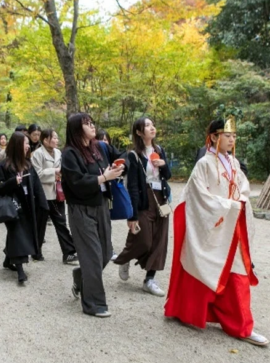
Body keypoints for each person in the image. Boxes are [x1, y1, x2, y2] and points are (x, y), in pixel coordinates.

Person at [165, 117, 268, 346]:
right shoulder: (204, 164)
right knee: (204, 268)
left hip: (232, 226)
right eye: (227, 135)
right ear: (214, 137)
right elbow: (197, 195)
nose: (232, 140)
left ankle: (242, 326)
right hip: (214, 225)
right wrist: (227, 207)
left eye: (234, 136)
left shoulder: (234, 163)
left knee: (238, 273)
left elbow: (243, 189)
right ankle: (187, 312)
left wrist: (239, 201)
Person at [61, 113, 124, 317]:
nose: (92, 126)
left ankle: (81, 276)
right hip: (81, 209)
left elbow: (122, 156)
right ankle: (94, 304)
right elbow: (76, 183)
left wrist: (120, 166)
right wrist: (103, 177)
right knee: (92, 256)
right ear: (77, 129)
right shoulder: (70, 154)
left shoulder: (99, 147)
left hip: (102, 205)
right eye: (87, 124)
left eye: (92, 123)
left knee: (105, 253)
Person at [114, 117, 172, 296]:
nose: (152, 128)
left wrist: (163, 165)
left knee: (159, 240)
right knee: (144, 238)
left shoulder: (159, 150)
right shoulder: (133, 155)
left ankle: (150, 279)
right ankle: (125, 258)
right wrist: (132, 214)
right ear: (139, 132)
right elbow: (132, 185)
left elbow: (167, 176)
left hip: (161, 198)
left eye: (152, 124)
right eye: (147, 126)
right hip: (144, 198)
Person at [0, 132, 49, 285]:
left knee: (16, 233)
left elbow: (37, 186)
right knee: (17, 232)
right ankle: (20, 270)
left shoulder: (28, 164)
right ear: (17, 145)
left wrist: (43, 205)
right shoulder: (4, 165)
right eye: (25, 143)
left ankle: (7, 259)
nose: (27, 146)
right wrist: (13, 182)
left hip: (27, 205)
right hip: (12, 206)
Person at [31, 128, 78, 265]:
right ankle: (36, 251)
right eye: (54, 138)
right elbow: (37, 175)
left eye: (57, 138)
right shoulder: (37, 154)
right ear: (45, 140)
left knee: (61, 222)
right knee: (40, 225)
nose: (57, 140)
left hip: (57, 194)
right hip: (43, 194)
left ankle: (68, 253)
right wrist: (55, 171)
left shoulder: (58, 153)